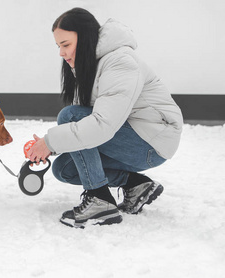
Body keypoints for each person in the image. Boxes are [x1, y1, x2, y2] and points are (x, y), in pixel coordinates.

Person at [27, 8, 183, 228]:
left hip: (151, 142)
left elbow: (101, 125)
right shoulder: (91, 63)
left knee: (70, 116)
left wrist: (50, 141)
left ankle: (100, 201)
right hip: (132, 137)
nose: (61, 53)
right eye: (59, 46)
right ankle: (135, 185)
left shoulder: (120, 61)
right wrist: (51, 148)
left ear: (86, 37)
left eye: (66, 44)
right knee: (64, 169)